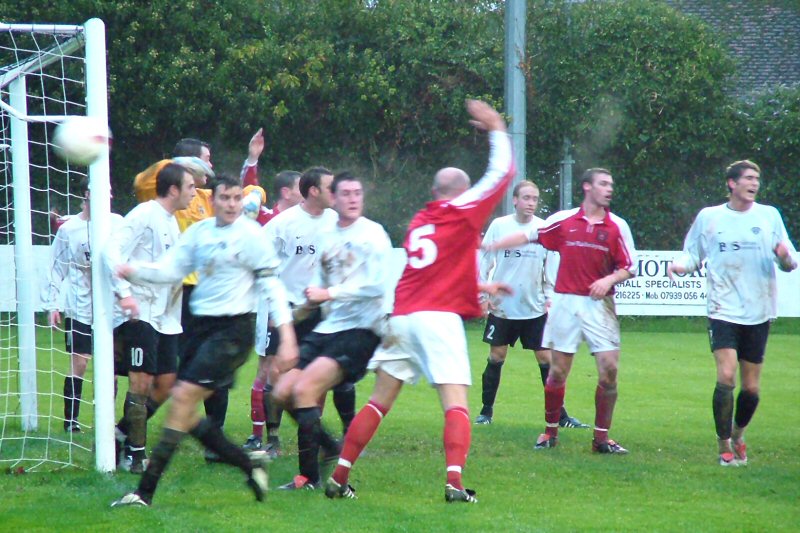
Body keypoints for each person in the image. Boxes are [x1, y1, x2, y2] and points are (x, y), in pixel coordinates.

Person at [324, 99, 514, 504]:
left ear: (434, 192)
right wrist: (497, 126)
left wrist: (481, 288)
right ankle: (455, 483)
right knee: (456, 402)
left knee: (379, 401)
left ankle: (340, 476)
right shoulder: (462, 211)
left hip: (402, 318)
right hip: (436, 321)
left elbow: (440, 269)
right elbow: (502, 173)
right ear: (463, 193)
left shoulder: (421, 221)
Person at [110, 174, 296, 507]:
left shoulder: (251, 236)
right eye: (225, 198)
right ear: (214, 201)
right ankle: (249, 463)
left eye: (237, 198)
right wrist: (134, 271)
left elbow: (273, 287)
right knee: (185, 410)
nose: (231, 204)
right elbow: (170, 270)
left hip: (233, 332)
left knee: (180, 398)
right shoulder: (198, 233)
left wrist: (288, 336)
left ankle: (144, 491)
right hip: (199, 330)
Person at [484, 168, 637, 455]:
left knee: (609, 371)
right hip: (566, 303)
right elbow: (529, 236)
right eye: (603, 183)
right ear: (587, 187)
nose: (609, 189)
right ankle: (550, 432)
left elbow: (630, 266)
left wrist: (608, 279)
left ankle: (601, 439)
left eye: (611, 184)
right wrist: (490, 244)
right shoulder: (564, 222)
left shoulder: (617, 226)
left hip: (599, 306)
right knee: (557, 372)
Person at [667, 160, 797, 466]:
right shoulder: (710, 217)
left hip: (759, 310)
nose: (754, 183)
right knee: (726, 375)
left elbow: (788, 259)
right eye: (749, 178)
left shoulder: (769, 216)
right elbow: (692, 254)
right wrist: (679, 265)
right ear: (732, 183)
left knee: (751, 388)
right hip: (722, 308)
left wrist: (785, 258)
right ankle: (723, 445)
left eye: (757, 179)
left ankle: (738, 435)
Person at [271, 171, 392, 490]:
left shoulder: (373, 234)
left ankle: (308, 477)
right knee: (281, 391)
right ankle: (330, 445)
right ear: (334, 199)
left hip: (362, 329)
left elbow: (379, 285)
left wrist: (332, 294)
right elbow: (319, 290)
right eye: (346, 193)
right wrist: (291, 319)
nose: (353, 199)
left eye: (358, 193)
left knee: (304, 390)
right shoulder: (327, 238)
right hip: (329, 327)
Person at [242, 166, 356, 457]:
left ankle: (348, 439)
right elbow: (258, 262)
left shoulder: (338, 222)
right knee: (276, 376)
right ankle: (274, 440)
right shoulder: (283, 224)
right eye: (331, 187)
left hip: (329, 310)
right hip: (289, 312)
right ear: (314, 191)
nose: (337, 193)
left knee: (339, 373)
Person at [475, 180, 588, 429]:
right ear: (515, 200)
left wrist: (550, 296)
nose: (531, 203)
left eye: (535, 199)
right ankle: (485, 411)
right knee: (496, 355)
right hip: (503, 307)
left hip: (534, 307)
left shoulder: (543, 228)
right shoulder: (500, 226)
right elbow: (484, 260)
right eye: (526, 198)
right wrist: (483, 296)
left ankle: (560, 416)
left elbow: (551, 264)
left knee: (546, 359)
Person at [110, 162, 196, 473]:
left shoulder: (173, 222)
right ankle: (135, 454)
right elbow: (112, 251)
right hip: (141, 312)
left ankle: (120, 433)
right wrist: (125, 293)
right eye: (189, 187)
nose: (194, 193)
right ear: (173, 189)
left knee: (166, 383)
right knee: (141, 381)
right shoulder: (145, 214)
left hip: (166, 317)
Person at [43, 178, 123, 432]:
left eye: (110, 193)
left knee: (110, 366)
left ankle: (105, 421)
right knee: (81, 362)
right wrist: (52, 304)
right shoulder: (70, 229)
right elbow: (56, 268)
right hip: (80, 307)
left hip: (111, 309)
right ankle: (71, 421)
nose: (107, 198)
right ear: (87, 194)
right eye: (102, 192)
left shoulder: (118, 224)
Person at [244, 170, 303, 452]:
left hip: (298, 307)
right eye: (299, 187)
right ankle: (260, 434)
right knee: (266, 370)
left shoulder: (307, 223)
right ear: (286, 192)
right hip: (270, 306)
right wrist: (253, 163)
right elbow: (248, 192)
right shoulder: (269, 219)